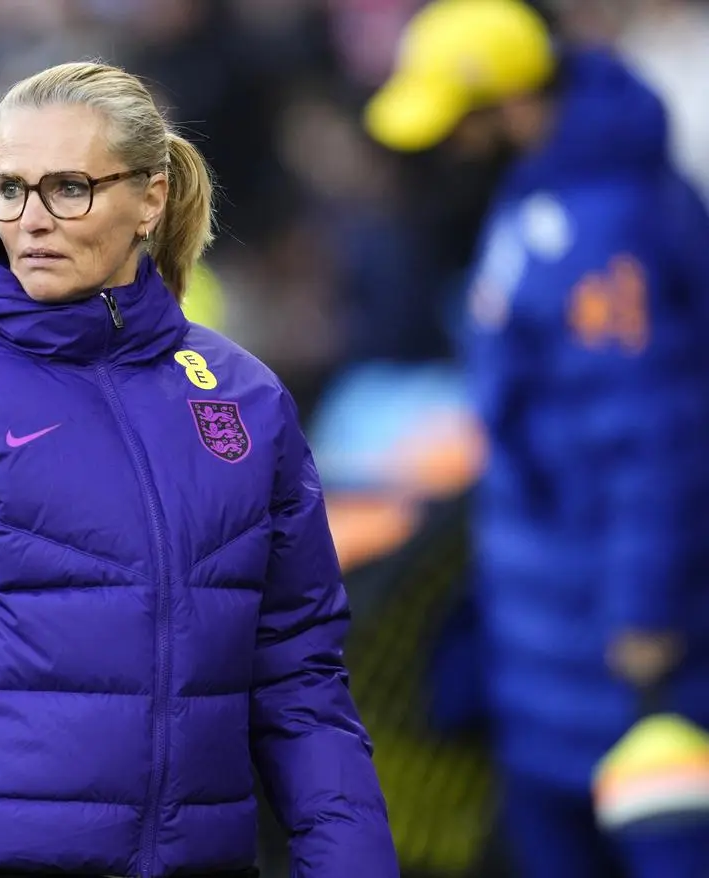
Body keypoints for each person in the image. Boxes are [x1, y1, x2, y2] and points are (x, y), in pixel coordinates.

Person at [0, 60, 397, 878]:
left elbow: (299, 673)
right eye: (9, 188)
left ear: (150, 199)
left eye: (69, 188)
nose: (32, 219)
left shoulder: (243, 397)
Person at [364, 2, 709, 876]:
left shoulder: (602, 231)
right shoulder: (548, 190)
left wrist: (644, 613)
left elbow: (652, 440)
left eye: (457, 123)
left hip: (611, 636)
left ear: (512, 106)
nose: (444, 147)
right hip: (550, 623)